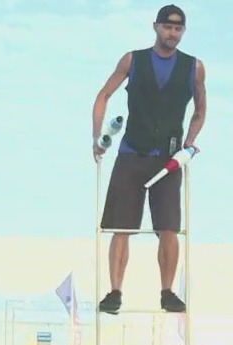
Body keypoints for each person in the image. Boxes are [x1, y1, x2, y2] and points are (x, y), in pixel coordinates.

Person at [91, 4, 207, 315]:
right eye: (168, 26)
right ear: (156, 27)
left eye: (179, 28)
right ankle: (115, 292)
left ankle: (167, 292)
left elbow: (199, 109)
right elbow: (103, 95)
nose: (173, 33)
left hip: (168, 158)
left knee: (169, 227)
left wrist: (190, 142)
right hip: (132, 153)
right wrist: (96, 137)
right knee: (121, 226)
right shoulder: (134, 60)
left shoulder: (194, 67)